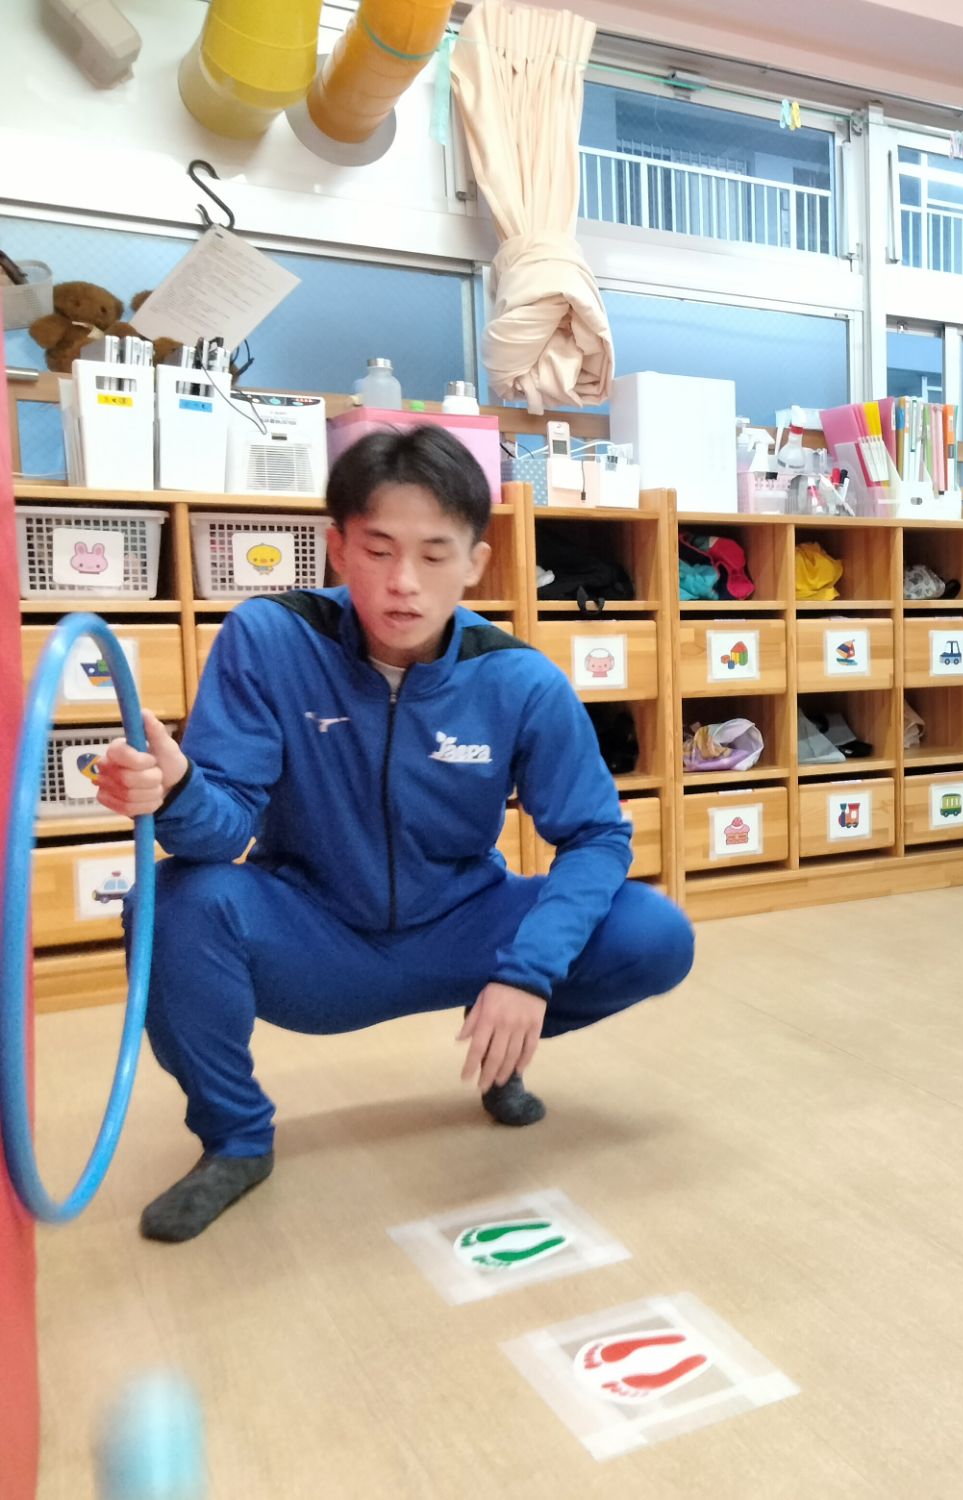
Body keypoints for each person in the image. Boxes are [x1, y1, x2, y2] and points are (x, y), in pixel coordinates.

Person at [94, 427, 695, 1243]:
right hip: (316, 938)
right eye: (378, 551)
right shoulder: (270, 637)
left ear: (476, 563)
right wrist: (176, 791)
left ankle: (499, 1043)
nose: (404, 582)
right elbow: (218, 831)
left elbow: (595, 837)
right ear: (339, 549)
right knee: (170, 902)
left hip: (463, 929)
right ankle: (236, 1140)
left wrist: (526, 976)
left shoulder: (519, 678)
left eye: (434, 554)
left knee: (654, 932)